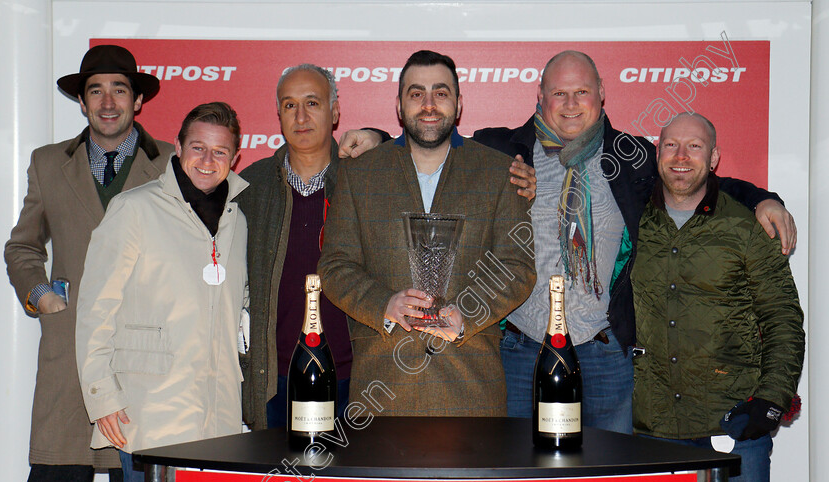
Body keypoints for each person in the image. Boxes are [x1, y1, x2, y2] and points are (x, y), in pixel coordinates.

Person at [338, 50, 796, 430]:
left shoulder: (629, 156)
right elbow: (431, 138)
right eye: (559, 93)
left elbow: (690, 175)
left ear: (601, 96)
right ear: (541, 97)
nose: (571, 104)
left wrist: (762, 198)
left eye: (582, 92)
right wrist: (377, 137)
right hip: (519, 352)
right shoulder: (503, 150)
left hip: (602, 355)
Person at [318, 50, 536, 416]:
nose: (429, 105)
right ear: (399, 106)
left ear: (459, 103)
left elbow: (517, 266)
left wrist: (467, 314)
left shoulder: (502, 173)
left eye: (441, 92)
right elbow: (335, 265)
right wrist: (383, 304)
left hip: (472, 390)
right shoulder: (358, 175)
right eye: (416, 93)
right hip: (381, 389)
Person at [4, 44, 170, 482]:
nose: (108, 101)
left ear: (138, 100)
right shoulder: (47, 162)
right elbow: (22, 245)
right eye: (95, 90)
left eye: (120, 89)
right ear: (82, 102)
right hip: (69, 361)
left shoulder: (173, 166)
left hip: (143, 365)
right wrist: (41, 295)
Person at [75, 102, 248, 482]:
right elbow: (95, 309)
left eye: (220, 151)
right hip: (148, 417)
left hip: (218, 422)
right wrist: (102, 398)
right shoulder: (133, 209)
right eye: (198, 148)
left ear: (235, 157)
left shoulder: (238, 220)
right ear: (179, 147)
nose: (208, 161)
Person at [631, 112, 804, 482]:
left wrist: (771, 401)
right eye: (671, 145)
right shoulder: (630, 219)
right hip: (651, 429)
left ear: (714, 158)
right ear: (657, 152)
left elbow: (783, 319)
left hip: (735, 426)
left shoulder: (746, 227)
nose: (681, 156)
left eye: (695, 146)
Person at [236, 64, 392, 431]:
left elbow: (423, 153)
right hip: (273, 380)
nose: (301, 116)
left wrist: (381, 137)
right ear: (278, 114)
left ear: (336, 112)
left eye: (313, 103)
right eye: (289, 105)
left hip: (354, 380)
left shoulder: (368, 178)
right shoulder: (249, 186)